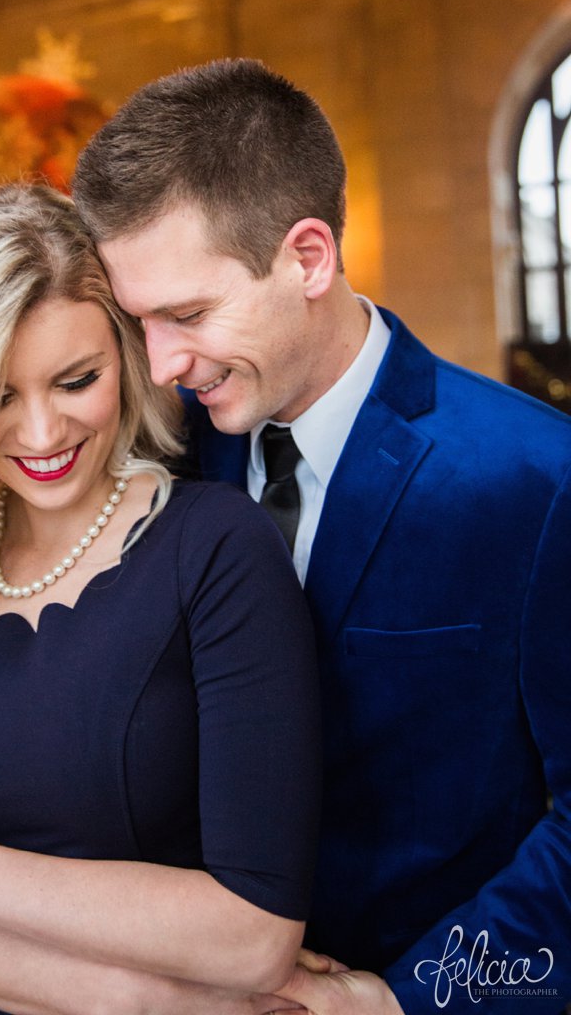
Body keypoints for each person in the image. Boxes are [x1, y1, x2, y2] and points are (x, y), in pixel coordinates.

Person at [68, 59, 571, 1014]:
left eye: (188, 314)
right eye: (139, 324)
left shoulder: (539, 481)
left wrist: (407, 999)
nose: (164, 364)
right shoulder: (165, 461)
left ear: (308, 257)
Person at [0, 182, 322, 1015]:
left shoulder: (217, 548)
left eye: (76, 380)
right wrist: (165, 1003)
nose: (41, 436)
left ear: (126, 352)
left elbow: (254, 934)